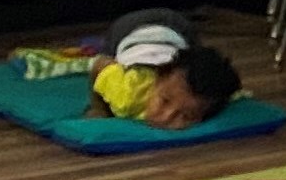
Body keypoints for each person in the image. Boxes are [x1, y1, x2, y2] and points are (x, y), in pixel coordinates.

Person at [87, 9, 241, 130]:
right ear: (157, 80)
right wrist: (99, 108)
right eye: (164, 100)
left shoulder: (193, 94)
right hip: (128, 28)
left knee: (200, 61)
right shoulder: (130, 92)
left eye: (185, 116)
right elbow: (99, 64)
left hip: (177, 35)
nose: (165, 117)